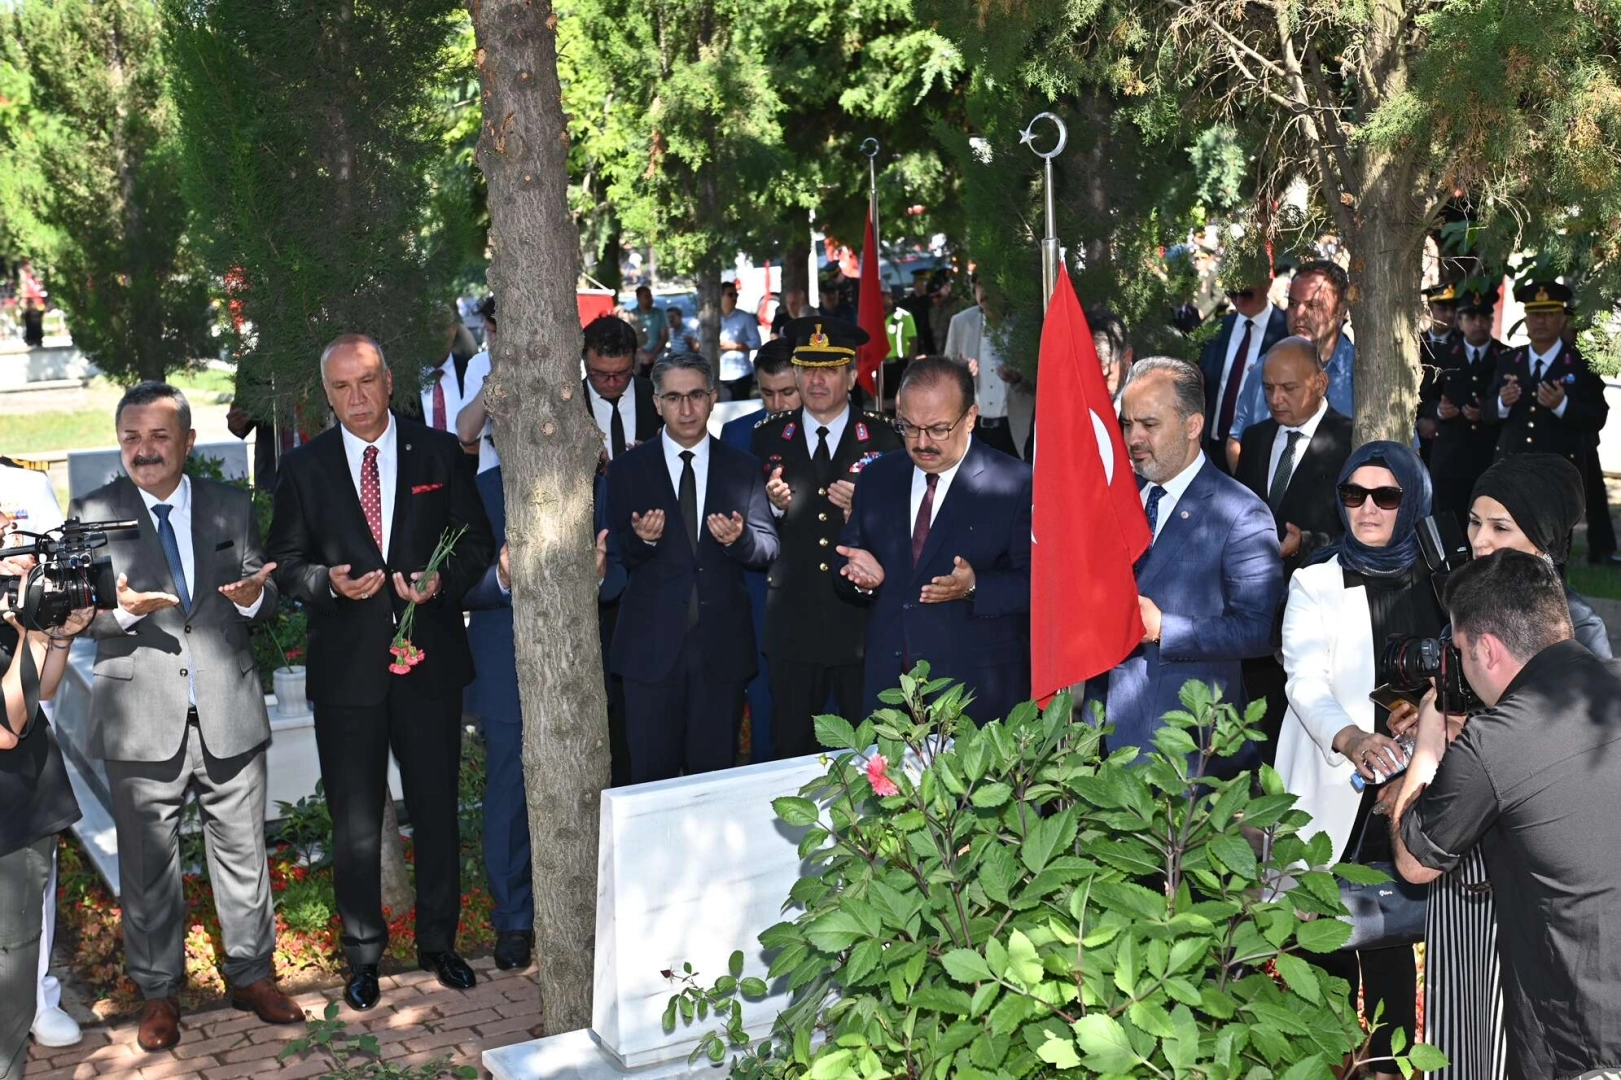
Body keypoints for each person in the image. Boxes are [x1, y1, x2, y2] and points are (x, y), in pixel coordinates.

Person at [267, 335, 495, 1012]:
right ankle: (363, 954)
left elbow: (476, 541)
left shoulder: (437, 452)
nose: (357, 398)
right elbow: (285, 564)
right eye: (341, 387)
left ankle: (439, 943)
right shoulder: (303, 466)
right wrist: (327, 583)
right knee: (356, 821)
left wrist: (440, 583)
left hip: (429, 663)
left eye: (366, 381)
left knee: (435, 807)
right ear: (326, 395)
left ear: (389, 381)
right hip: (346, 673)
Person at [72, 383, 301, 1050]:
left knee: (244, 854)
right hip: (139, 716)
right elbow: (81, 614)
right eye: (131, 438)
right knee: (148, 866)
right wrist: (120, 613)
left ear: (189, 441)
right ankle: (158, 993)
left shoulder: (230, 505)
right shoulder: (94, 512)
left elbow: (263, 591)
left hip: (228, 708)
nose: (143, 450)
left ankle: (251, 976)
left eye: (158, 436)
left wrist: (255, 596)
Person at [1415, 456, 1612, 1080]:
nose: (1480, 541)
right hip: (1469, 867)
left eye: (1501, 527)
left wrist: (1448, 746)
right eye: (1474, 523)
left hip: (1537, 892)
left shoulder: (1574, 628)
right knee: (1468, 1033)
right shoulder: (1472, 598)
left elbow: (1564, 759)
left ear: (1545, 540)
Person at [1274, 440, 1434, 1078]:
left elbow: (1460, 682)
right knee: (1325, 938)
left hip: (1411, 787)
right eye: (1353, 494)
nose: (1367, 508)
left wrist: (1424, 720)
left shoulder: (1441, 582)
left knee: (1393, 938)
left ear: (1411, 501)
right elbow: (1303, 680)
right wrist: (1351, 739)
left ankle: (1390, 1065)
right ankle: (1327, 1061)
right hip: (1334, 781)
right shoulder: (1315, 580)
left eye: (1385, 496)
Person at [1090, 358, 1282, 766]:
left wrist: (1165, 629)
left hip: (1186, 749)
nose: (1134, 438)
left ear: (1193, 426)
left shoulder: (1241, 514)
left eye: (1149, 424)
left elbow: (1259, 630)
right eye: (1127, 424)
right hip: (1099, 734)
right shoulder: (1112, 499)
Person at [606, 352, 779, 782]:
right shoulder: (627, 470)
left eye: (696, 395)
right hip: (649, 654)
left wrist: (738, 539)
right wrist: (643, 539)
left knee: (713, 784)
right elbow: (613, 556)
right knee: (650, 784)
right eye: (674, 398)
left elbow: (767, 549)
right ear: (657, 403)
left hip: (720, 655)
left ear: (713, 398)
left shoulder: (742, 467)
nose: (686, 409)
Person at [833, 358, 1032, 723]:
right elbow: (846, 560)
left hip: (975, 694)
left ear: (970, 418)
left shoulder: (1016, 484)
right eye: (909, 427)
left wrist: (975, 586)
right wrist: (859, 579)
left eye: (938, 429)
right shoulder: (877, 477)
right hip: (890, 693)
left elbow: (1038, 586)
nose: (922, 442)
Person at [750, 321, 902, 758]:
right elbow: (753, 529)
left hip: (860, 624)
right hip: (793, 622)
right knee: (791, 748)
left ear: (851, 377)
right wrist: (774, 508)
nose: (817, 381)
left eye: (830, 370)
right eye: (808, 370)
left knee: (872, 752)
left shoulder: (885, 438)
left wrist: (864, 513)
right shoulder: (767, 437)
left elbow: (906, 532)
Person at [0, 527, 89, 1080]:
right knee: (10, 962)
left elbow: (41, 692)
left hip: (24, 808)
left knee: (19, 953)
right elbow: (7, 728)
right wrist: (32, 636)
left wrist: (58, 637)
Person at [1481, 280, 1615, 565]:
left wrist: (1562, 405)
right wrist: (1502, 402)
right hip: (1512, 469)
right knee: (1507, 549)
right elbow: (1487, 413)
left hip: (1558, 473)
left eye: (1549, 314)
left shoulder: (1580, 363)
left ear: (1562, 318)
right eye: (1534, 314)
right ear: (1526, 318)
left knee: (1552, 554)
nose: (1540, 321)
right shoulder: (1510, 360)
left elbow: (1598, 416)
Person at [720, 339, 803, 760]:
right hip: (756, 588)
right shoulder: (738, 434)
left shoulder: (828, 430)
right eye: (767, 393)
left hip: (814, 588)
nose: (777, 404)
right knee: (764, 697)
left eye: (788, 392)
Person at [1234, 338, 1353, 574]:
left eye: (1288, 388)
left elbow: (1359, 531)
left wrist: (1305, 543)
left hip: (1318, 582)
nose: (1275, 399)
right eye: (1268, 388)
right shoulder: (1255, 438)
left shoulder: (1350, 443)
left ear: (1320, 384)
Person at [1227, 260, 1355, 470]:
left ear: (1340, 311)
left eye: (1313, 305)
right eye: (1293, 304)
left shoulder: (1361, 375)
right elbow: (1236, 441)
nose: (1299, 314)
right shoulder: (1264, 367)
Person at [1427, 286, 1506, 530]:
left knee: (1484, 522)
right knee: (1447, 524)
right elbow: (1424, 398)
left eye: (1484, 317)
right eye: (1471, 317)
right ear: (1460, 322)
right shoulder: (1441, 354)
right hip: (1448, 456)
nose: (1478, 323)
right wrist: (1439, 410)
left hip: (1487, 454)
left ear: (1491, 320)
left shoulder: (1504, 357)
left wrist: (1487, 411)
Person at [1198, 281, 1289, 472]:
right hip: (1210, 448)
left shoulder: (1285, 332)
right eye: (1232, 293)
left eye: (1247, 294)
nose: (1238, 301)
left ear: (1266, 285)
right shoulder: (1218, 329)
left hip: (1254, 451)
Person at [943, 278, 1021, 458]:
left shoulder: (1021, 323)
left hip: (1015, 428)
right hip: (975, 427)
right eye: (979, 283)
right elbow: (946, 372)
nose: (984, 290)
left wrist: (1020, 376)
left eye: (990, 282)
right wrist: (961, 371)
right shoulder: (961, 322)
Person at [582, 315, 661, 461]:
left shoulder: (659, 397)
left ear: (634, 361)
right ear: (585, 364)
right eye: (600, 374)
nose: (612, 383)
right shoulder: (567, 405)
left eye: (622, 373)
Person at [452, 295, 502, 475]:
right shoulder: (479, 364)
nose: (493, 340)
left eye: (497, 332)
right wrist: (495, 374)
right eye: (489, 331)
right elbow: (466, 433)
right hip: (491, 475)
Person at [1416, 281, 1464, 463]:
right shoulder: (1415, 342)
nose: (1449, 314)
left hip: (1453, 434)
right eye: (1443, 308)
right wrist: (1418, 422)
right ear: (1430, 308)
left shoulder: (1464, 345)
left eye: (1453, 308)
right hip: (1418, 434)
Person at [420, 306, 484, 436]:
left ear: (453, 330)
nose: (433, 336)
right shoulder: (402, 379)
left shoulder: (472, 372)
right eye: (426, 330)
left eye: (438, 328)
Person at [718, 282, 762, 400]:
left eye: (736, 295)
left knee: (742, 407)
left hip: (741, 373)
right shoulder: (712, 319)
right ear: (720, 296)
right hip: (719, 374)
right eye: (730, 295)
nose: (734, 298)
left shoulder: (745, 318)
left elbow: (757, 342)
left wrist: (734, 346)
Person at [1089, 309, 1133, 407]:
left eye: (1106, 378)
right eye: (1090, 378)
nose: (1098, 387)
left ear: (1127, 359)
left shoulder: (1148, 400)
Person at [895, 270, 938, 355]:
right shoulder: (904, 304)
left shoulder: (932, 302)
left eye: (926, 283)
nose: (924, 285)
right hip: (911, 345)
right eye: (921, 282)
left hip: (930, 346)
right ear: (915, 283)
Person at [628, 285, 669, 373]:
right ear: (638, 298)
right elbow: (629, 338)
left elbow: (665, 336)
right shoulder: (631, 315)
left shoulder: (659, 313)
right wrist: (641, 353)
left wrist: (653, 354)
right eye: (646, 296)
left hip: (658, 357)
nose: (650, 299)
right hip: (639, 358)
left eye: (650, 296)